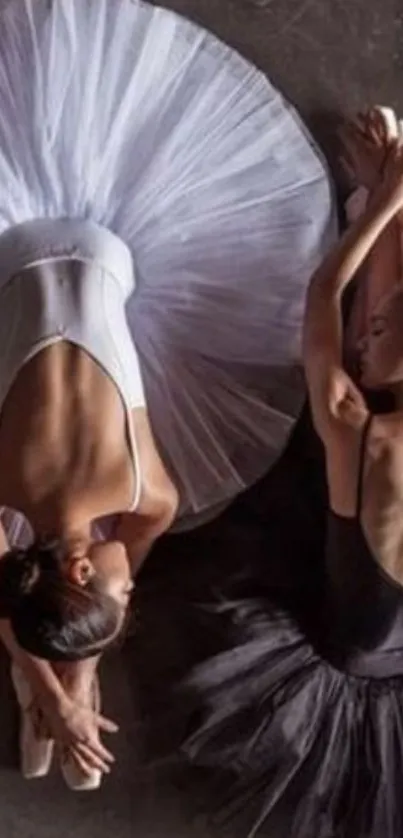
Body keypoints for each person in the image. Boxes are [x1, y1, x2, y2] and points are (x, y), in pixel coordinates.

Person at [0, 0, 334, 790]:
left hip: (101, 253)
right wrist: (66, 665)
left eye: (115, 587)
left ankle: (44, 693)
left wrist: (64, 677)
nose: (130, 582)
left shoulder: (146, 489)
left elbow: (127, 547)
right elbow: (26, 582)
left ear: (81, 569)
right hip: (19, 259)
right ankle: (48, 686)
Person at [182, 110, 403, 838]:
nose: (363, 335)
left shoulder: (359, 431)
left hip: (350, 647)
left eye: (374, 331)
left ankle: (376, 191)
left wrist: (382, 208)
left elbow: (321, 300)